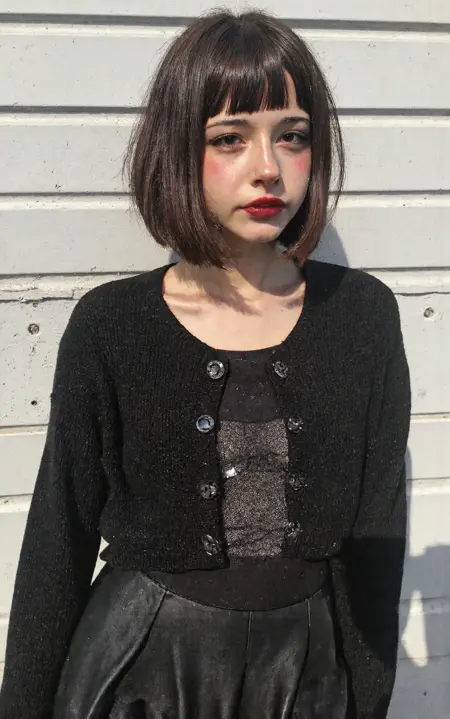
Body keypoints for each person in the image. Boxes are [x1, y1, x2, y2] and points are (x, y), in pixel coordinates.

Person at [0, 8, 411, 719]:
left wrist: (369, 697)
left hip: (303, 677)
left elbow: (379, 533)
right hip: (141, 674)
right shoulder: (112, 326)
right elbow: (57, 541)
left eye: (293, 135)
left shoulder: (362, 317)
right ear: (178, 150)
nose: (268, 167)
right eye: (229, 138)